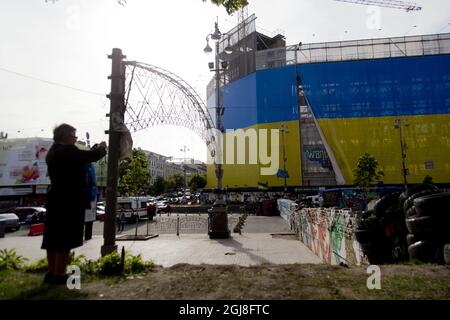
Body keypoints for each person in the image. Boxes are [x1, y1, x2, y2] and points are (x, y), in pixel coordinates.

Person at [41, 124, 107, 285]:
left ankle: (51, 272)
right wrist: (102, 149)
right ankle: (60, 275)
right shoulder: (68, 151)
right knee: (65, 238)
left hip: (55, 197)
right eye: (74, 135)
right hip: (69, 200)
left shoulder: (53, 152)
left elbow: (79, 157)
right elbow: (91, 156)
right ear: (66, 135)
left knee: (53, 238)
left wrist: (92, 150)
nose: (76, 139)